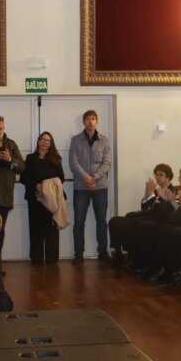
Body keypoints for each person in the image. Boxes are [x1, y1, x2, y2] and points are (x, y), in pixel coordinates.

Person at [68, 109, 112, 264]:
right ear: (83, 122)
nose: (90, 122)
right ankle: (78, 254)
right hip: (81, 187)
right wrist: (86, 178)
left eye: (93, 119)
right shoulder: (75, 140)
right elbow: (73, 163)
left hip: (100, 187)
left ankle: (103, 253)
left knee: (101, 221)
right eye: (87, 119)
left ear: (97, 121)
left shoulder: (104, 140)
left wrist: (95, 178)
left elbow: (107, 163)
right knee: (79, 221)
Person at [20, 131, 65, 264]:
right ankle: (36, 258)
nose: (45, 142)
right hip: (35, 198)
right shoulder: (30, 159)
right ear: (38, 141)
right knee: (35, 229)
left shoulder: (56, 159)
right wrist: (36, 186)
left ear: (51, 144)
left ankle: (52, 259)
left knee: (51, 230)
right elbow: (23, 177)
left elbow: (61, 178)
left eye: (48, 140)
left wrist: (46, 186)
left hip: (51, 199)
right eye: (43, 139)